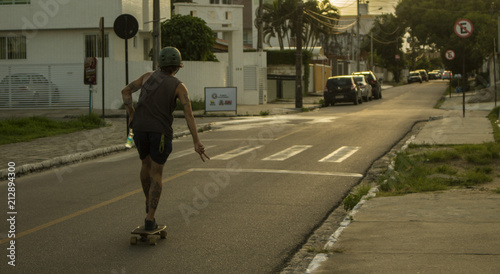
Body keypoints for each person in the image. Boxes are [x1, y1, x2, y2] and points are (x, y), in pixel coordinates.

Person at [121, 47, 210, 230]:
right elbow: (189, 115)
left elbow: (125, 92)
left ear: (159, 64)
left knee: (145, 166)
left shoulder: (146, 77)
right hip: (159, 133)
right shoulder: (179, 86)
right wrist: (196, 141)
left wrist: (131, 113)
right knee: (157, 173)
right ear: (178, 66)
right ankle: (150, 218)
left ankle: (148, 203)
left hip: (138, 129)